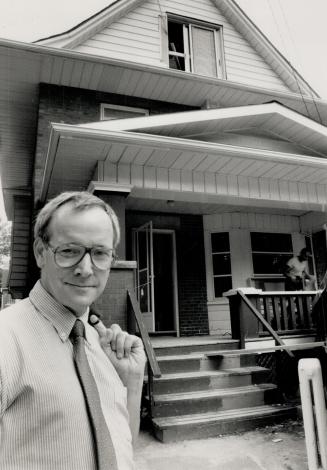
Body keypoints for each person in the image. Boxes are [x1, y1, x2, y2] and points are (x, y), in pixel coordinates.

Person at [0, 191, 146, 469]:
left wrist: (131, 383)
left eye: (100, 253)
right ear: (41, 253)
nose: (86, 269)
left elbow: (122, 445)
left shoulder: (103, 343)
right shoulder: (5, 341)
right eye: (69, 251)